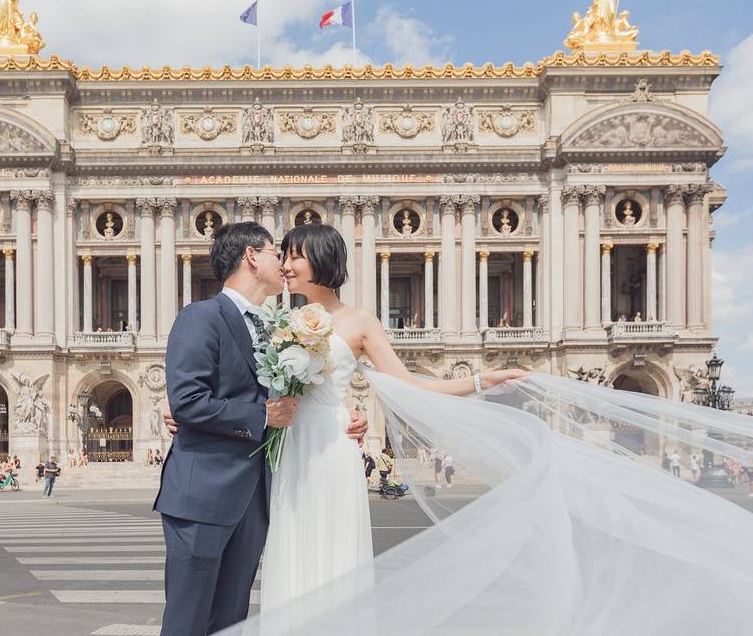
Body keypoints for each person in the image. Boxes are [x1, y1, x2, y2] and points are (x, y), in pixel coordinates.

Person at [258, 223, 526, 611]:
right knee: (292, 542)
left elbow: (411, 385)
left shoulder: (360, 321)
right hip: (291, 445)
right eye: (284, 255)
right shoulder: (281, 319)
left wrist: (484, 380)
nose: (286, 264)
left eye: (295, 255)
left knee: (334, 548)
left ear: (322, 258)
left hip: (332, 445)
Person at [155, 222, 372, 636]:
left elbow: (300, 391)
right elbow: (187, 401)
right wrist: (260, 417)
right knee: (187, 621)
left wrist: (345, 417)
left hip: (258, 499)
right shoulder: (200, 316)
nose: (285, 264)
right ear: (252, 257)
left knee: (230, 621)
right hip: (202, 495)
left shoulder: (278, 326)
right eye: (278, 252)